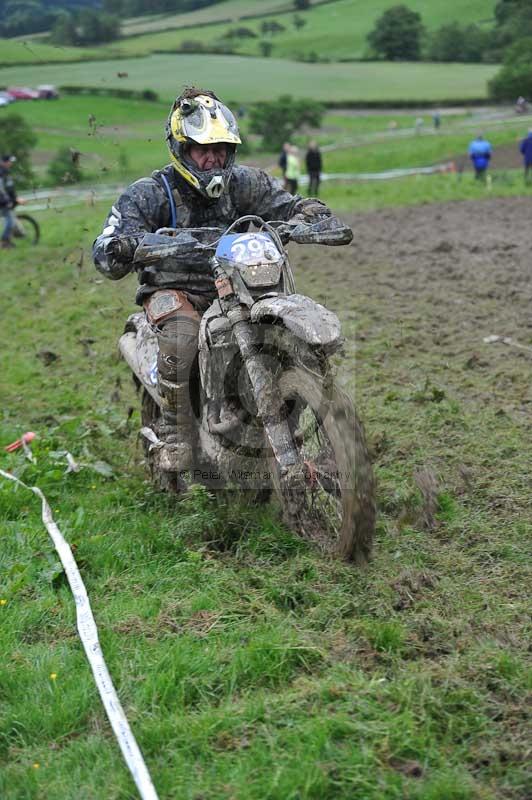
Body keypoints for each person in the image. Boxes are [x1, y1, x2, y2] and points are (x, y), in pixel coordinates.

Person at [93, 87, 348, 472]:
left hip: (242, 286)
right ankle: (176, 433)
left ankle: (326, 424)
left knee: (281, 334)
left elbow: (290, 204)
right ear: (182, 149)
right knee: (181, 336)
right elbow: (107, 246)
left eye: (222, 149)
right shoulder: (150, 194)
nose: (213, 158)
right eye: (203, 149)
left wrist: (310, 214)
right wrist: (122, 246)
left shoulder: (246, 183)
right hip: (175, 290)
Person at [0, 154, 24, 249]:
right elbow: (1, 190)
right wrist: (13, 200)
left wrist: (15, 198)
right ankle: (4, 243)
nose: (11, 164)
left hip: (5, 200)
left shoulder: (5, 172)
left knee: (9, 219)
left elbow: (10, 189)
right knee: (9, 221)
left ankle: (8, 240)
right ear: (5, 162)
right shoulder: (1, 172)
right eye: (10, 162)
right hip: (3, 201)